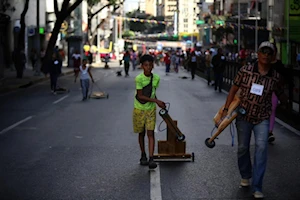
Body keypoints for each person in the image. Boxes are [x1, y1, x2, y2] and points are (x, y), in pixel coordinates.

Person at [220, 41, 288, 199]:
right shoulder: (245, 70)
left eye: (269, 52)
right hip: (243, 116)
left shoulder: (275, 77)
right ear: (258, 54)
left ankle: (257, 186)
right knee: (243, 148)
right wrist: (226, 108)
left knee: (262, 148)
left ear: (273, 57)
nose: (265, 55)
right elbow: (234, 89)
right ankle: (245, 175)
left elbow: (281, 94)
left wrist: (286, 102)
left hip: (262, 118)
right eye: (263, 51)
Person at [133, 54, 166, 169]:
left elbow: (152, 92)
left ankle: (151, 158)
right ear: (142, 66)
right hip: (139, 109)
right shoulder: (139, 79)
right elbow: (140, 96)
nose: (148, 67)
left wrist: (158, 103)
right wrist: (156, 101)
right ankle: (143, 155)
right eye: (146, 65)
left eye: (150, 65)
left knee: (150, 133)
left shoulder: (156, 78)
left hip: (151, 109)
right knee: (141, 133)